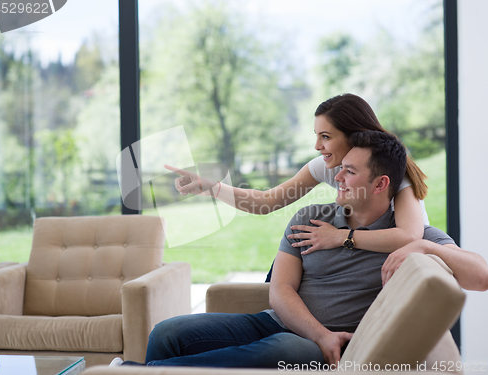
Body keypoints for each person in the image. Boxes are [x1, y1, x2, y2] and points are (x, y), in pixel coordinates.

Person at [115, 131, 487, 369]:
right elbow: (280, 290)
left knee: (284, 351)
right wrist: (316, 332)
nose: (336, 177)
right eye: (338, 168)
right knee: (167, 333)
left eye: (349, 172)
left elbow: (481, 276)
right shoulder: (309, 216)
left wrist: (421, 244)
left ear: (382, 184)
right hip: (280, 320)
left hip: (321, 344)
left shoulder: (411, 236)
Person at [165, 93, 427, 256]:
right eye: (317, 136)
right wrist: (211, 187)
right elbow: (266, 202)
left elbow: (409, 236)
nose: (317, 146)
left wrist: (339, 237)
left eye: (326, 137)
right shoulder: (323, 167)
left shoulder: (391, 173)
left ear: (354, 135)